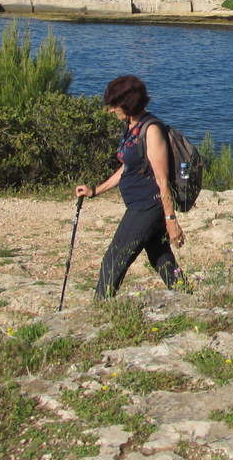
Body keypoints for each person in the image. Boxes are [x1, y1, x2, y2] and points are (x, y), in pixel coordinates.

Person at [74, 75, 184, 298]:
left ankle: (100, 310)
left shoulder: (151, 130)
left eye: (114, 105)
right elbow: (127, 168)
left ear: (128, 103)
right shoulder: (131, 126)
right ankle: (188, 298)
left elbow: (162, 179)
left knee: (114, 259)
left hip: (148, 206)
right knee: (160, 256)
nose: (110, 110)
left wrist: (171, 220)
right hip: (139, 204)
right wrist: (96, 190)